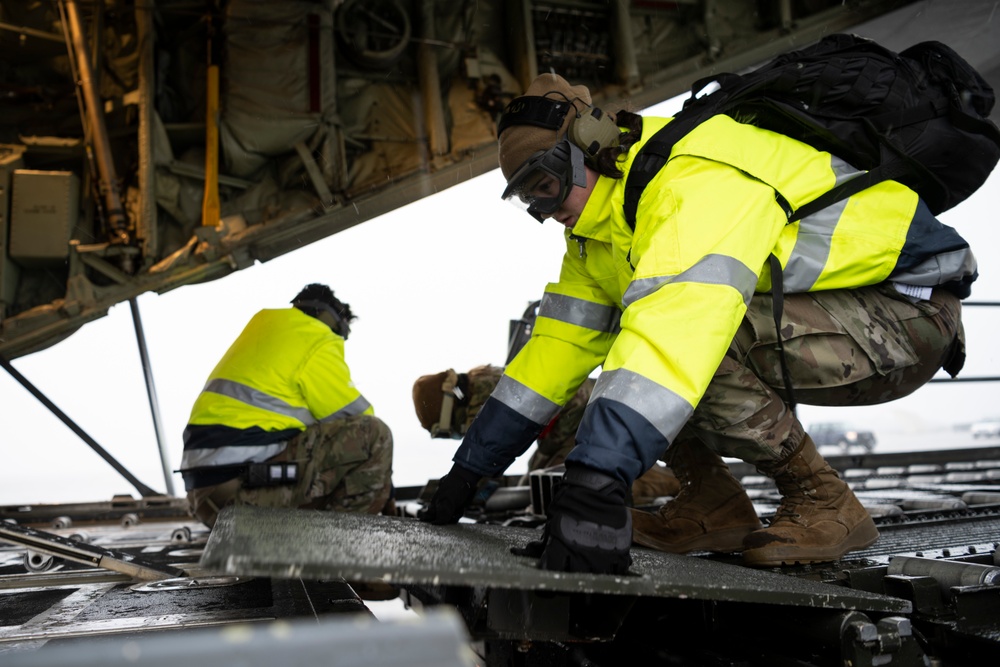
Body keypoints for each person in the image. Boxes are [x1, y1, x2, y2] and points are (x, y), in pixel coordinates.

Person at [418, 72, 975, 575]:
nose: (544, 210)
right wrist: (471, 468)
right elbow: (555, 351)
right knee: (637, 355)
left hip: (909, 314)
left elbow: (678, 331)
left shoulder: (688, 178)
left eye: (546, 184)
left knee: (683, 340)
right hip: (845, 315)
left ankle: (822, 498)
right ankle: (713, 503)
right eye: (528, 200)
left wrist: (595, 481)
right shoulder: (597, 233)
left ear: (588, 146)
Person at [179, 283, 394, 529]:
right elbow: (360, 421)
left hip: (206, 499)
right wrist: (386, 487)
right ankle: (336, 540)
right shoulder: (315, 337)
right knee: (374, 435)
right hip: (239, 497)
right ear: (332, 321)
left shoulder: (265, 326)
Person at [411, 365, 680, 504]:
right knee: (536, 478)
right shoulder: (479, 387)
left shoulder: (483, 395)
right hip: (565, 427)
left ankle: (671, 485)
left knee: (571, 480)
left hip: (580, 418)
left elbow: (485, 455)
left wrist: (461, 489)